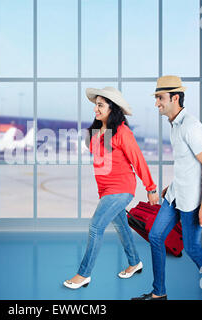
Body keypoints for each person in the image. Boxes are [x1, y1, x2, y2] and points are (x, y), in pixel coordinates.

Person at [132, 75, 202, 300]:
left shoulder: (192, 127)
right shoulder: (174, 125)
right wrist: (171, 186)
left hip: (191, 203)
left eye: (160, 98)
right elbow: (188, 164)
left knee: (192, 249)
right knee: (156, 236)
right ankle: (159, 294)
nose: (156, 103)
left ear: (175, 97)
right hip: (175, 196)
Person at [63, 87, 159, 289]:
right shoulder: (98, 133)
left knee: (96, 226)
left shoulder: (123, 132)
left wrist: (150, 188)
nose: (96, 109)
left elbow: (138, 160)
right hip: (107, 191)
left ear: (112, 108)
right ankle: (135, 262)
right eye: (95, 104)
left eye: (100, 105)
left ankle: (84, 274)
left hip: (122, 188)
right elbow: (103, 165)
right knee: (122, 226)